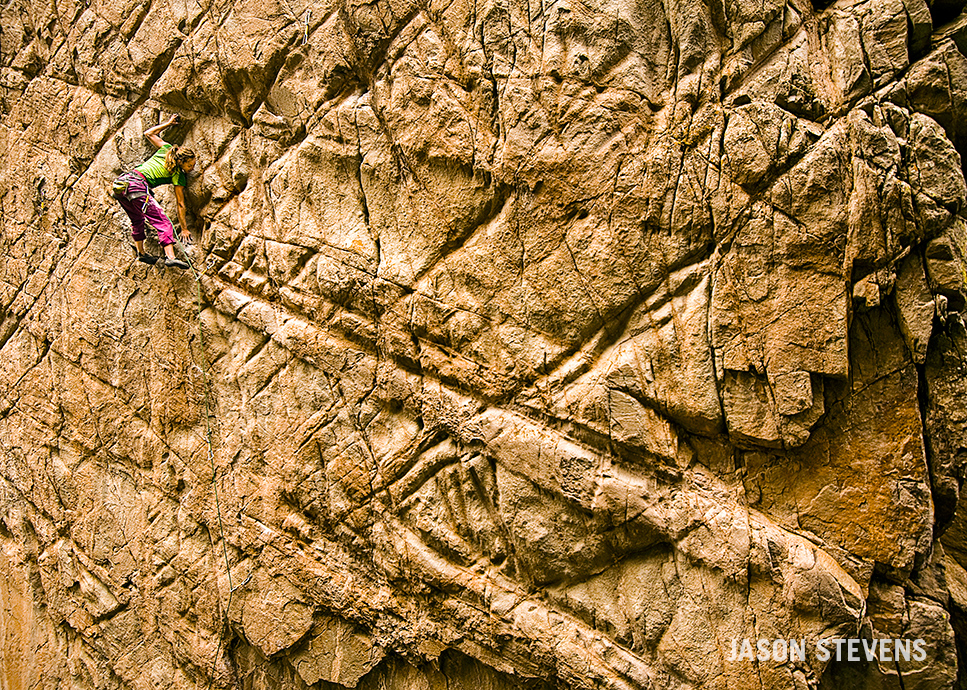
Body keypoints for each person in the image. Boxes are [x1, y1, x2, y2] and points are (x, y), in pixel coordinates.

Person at [111, 114, 196, 269]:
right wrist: (183, 228)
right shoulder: (178, 174)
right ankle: (170, 257)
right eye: (190, 165)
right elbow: (180, 203)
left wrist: (168, 123)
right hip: (136, 186)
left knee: (137, 220)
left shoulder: (167, 149)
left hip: (122, 185)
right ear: (182, 162)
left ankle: (142, 254)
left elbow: (149, 133)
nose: (192, 168)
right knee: (162, 221)